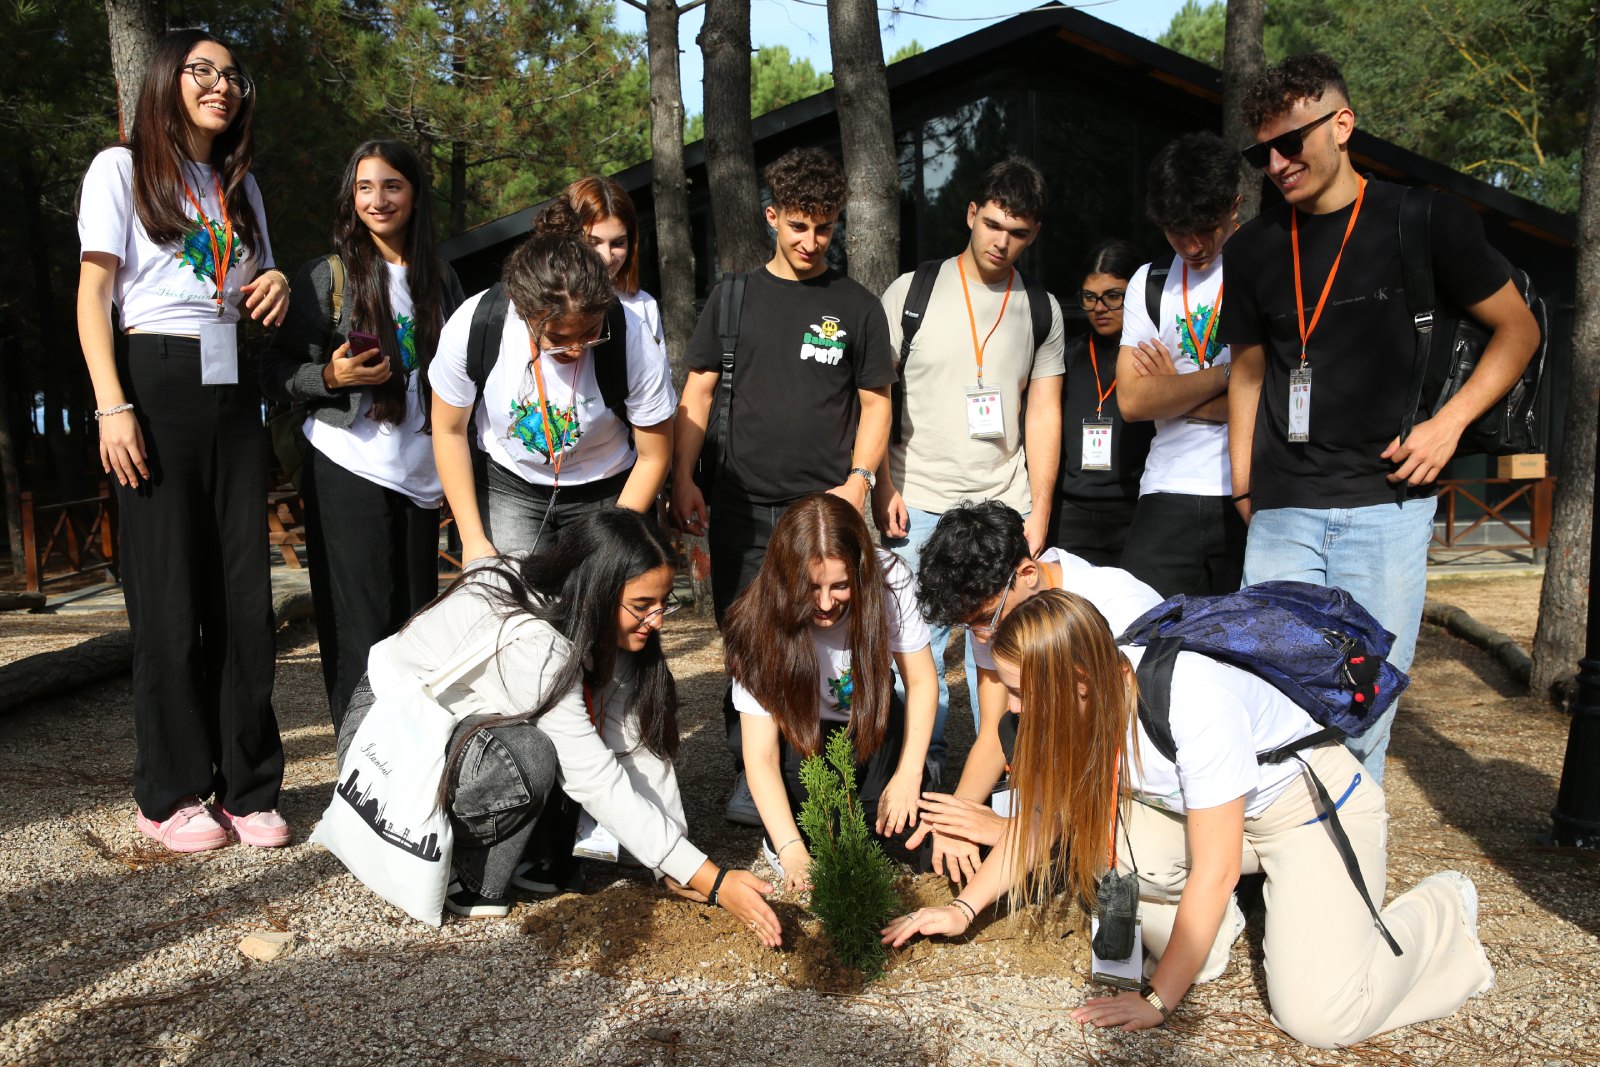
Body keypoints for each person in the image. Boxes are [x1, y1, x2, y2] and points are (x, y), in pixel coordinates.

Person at [885, 589, 1494, 1049]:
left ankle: (1443, 913)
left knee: (1319, 1019)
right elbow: (1044, 821)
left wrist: (1158, 999)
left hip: (1303, 812)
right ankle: (1217, 935)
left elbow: (1216, 868)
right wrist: (963, 909)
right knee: (1104, 843)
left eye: (1020, 692)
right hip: (1210, 817)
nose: (1011, 709)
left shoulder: (1194, 701)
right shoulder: (1075, 704)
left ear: (1078, 682)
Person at [1222, 54, 1540, 783]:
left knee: (1361, 720)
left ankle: (1347, 855)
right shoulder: (1253, 248)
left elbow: (1518, 329)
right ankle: (1280, 854)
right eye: (1261, 153)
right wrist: (1243, 486)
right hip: (1282, 510)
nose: (1276, 164)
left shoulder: (1424, 219)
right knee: (1267, 707)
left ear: (1342, 125)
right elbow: (1247, 373)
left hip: (1388, 509)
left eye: (1291, 143)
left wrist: (1449, 424)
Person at [336, 508, 781, 936]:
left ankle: (527, 850)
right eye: (643, 605)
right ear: (596, 590)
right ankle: (470, 875)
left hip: (460, 734)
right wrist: (712, 880)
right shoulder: (534, 644)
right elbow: (591, 775)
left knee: (538, 749)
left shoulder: (593, 617)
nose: (658, 620)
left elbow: (635, 741)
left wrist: (674, 860)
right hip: (387, 736)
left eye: (664, 602)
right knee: (529, 756)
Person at [77, 29, 291, 853]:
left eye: (233, 75)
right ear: (168, 79)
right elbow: (94, 294)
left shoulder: (243, 185)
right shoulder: (122, 169)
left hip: (232, 383)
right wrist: (112, 405)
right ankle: (168, 792)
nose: (221, 85)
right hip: (153, 378)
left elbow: (254, 279)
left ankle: (248, 785)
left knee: (244, 594)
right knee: (168, 598)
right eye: (203, 70)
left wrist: (275, 279)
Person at [671, 147, 896, 824]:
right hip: (741, 506)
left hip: (824, 512)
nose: (811, 241)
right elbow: (697, 392)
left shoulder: (857, 306)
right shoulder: (732, 297)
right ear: (772, 217)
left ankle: (824, 773)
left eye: (824, 227)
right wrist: (682, 477)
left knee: (827, 641)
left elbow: (877, 404)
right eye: (799, 225)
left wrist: (861, 482)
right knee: (749, 643)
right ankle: (752, 772)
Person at [261, 140, 466, 732]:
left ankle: (406, 763)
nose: (378, 199)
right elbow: (273, 371)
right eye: (365, 187)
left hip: (422, 479)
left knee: (415, 631)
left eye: (392, 185)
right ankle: (358, 765)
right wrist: (330, 377)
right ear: (351, 198)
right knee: (360, 633)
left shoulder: (442, 279)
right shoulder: (326, 276)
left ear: (415, 195)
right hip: (347, 466)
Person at [873, 157, 1065, 775]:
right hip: (917, 502)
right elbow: (876, 396)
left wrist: (1040, 508)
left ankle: (1007, 781)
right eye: (993, 225)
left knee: (1008, 655)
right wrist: (882, 483)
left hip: (1004, 507)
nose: (1001, 242)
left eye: (1018, 232)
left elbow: (1044, 412)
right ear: (971, 214)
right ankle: (920, 779)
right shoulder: (912, 292)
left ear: (1033, 235)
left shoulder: (1042, 308)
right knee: (914, 652)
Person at [908, 500, 1161, 882]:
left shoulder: (1117, 608)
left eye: (985, 619)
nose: (981, 637)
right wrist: (956, 817)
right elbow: (996, 729)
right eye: (969, 626)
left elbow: (1118, 744)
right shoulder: (997, 615)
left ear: (1027, 573)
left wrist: (1015, 829)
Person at [429, 198, 675, 561]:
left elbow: (655, 455)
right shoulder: (475, 324)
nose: (575, 349)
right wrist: (473, 539)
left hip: (606, 488)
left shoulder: (633, 338)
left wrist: (615, 538)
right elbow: (448, 430)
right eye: (557, 338)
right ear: (523, 312)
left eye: (590, 333)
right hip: (509, 485)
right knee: (509, 591)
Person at [723, 494, 937, 890]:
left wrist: (907, 775)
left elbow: (922, 681)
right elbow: (761, 754)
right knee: (816, 835)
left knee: (879, 830)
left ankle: (922, 772)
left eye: (841, 586)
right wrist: (791, 851)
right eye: (811, 587)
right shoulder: (756, 621)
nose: (825, 603)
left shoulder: (890, 579)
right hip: (800, 731)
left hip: (869, 719)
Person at [1116, 132, 1246, 598]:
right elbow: (1133, 401)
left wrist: (1174, 391)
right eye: (1176, 231)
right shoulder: (1149, 281)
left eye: (1205, 229)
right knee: (1142, 630)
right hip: (1167, 487)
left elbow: (1279, 399)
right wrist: (1228, 377)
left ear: (1234, 206)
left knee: (1251, 634)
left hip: (1247, 488)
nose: (1192, 246)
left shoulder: (1264, 267)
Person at [1050, 239, 1154, 564]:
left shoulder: (1153, 356)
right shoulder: (1068, 356)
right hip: (1072, 514)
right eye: (1089, 297)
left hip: (1136, 511)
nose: (1099, 307)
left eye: (1113, 296)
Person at [566, 174, 662, 347]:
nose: (606, 256)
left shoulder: (644, 305)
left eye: (618, 243)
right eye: (593, 242)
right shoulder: (535, 300)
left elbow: (658, 365)